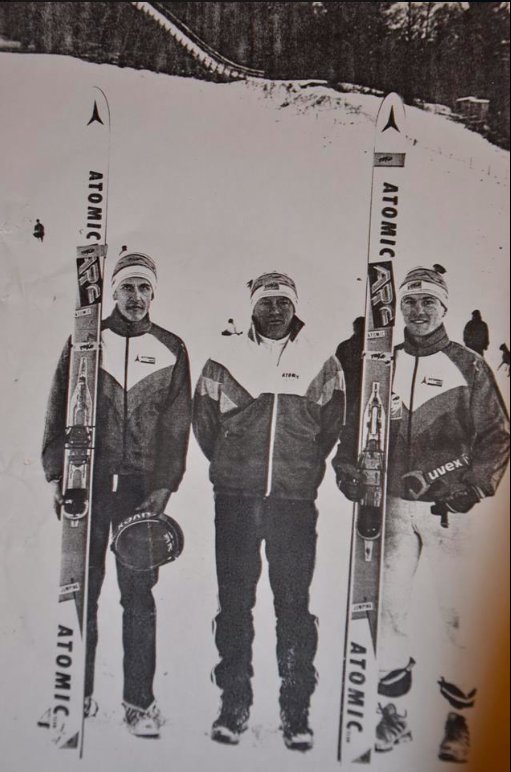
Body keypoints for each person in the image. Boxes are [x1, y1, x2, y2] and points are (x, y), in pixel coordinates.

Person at [333, 265, 509, 764]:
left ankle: (459, 719)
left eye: (428, 301)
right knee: (388, 607)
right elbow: (354, 429)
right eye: (409, 301)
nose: (417, 310)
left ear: (444, 307)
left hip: (449, 510)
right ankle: (394, 713)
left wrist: (474, 485)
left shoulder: (468, 365)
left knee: (456, 615)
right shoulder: (380, 362)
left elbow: (497, 436)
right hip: (391, 508)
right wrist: (347, 469)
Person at [193, 271, 345, 751]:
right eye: (266, 301)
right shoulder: (224, 358)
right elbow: (204, 426)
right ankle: (233, 703)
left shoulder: (322, 360)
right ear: (252, 307)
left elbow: (330, 428)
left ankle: (295, 710)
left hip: (292, 504)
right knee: (235, 603)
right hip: (235, 501)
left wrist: (300, 469)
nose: (275, 310)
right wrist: (232, 464)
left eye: (283, 302)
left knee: (293, 604)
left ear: (295, 307)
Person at [42, 252, 191, 737]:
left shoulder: (170, 348)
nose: (136, 297)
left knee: (138, 596)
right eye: (127, 287)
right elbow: (59, 405)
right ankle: (73, 696)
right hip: (88, 483)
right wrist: (57, 474)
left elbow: (177, 426)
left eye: (144, 288)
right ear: (113, 292)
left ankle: (138, 703)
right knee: (79, 588)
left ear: (154, 293)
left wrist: (164, 485)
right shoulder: (86, 341)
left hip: (138, 490)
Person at [335, 316, 365, 413]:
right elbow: (337, 368)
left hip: (357, 385)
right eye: (358, 327)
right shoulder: (344, 346)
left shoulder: (344, 345)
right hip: (349, 385)